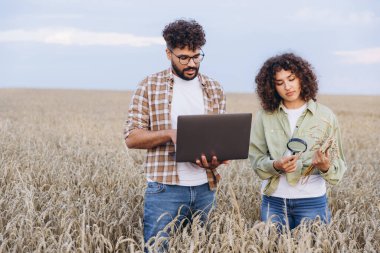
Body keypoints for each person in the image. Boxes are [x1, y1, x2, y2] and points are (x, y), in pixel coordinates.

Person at [124, 19, 227, 249]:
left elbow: (218, 139)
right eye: (183, 58)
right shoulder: (149, 86)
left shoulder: (215, 88)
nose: (191, 63)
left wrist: (217, 158)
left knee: (204, 247)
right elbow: (132, 137)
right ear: (168, 53)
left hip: (205, 188)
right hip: (164, 189)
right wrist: (170, 134)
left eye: (197, 56)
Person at [249, 53, 347, 230]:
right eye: (279, 83)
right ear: (272, 87)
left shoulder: (325, 116)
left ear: (302, 77)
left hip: (313, 202)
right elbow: (256, 160)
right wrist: (276, 165)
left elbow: (338, 167)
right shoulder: (265, 117)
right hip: (274, 202)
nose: (287, 86)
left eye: (291, 78)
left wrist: (325, 166)